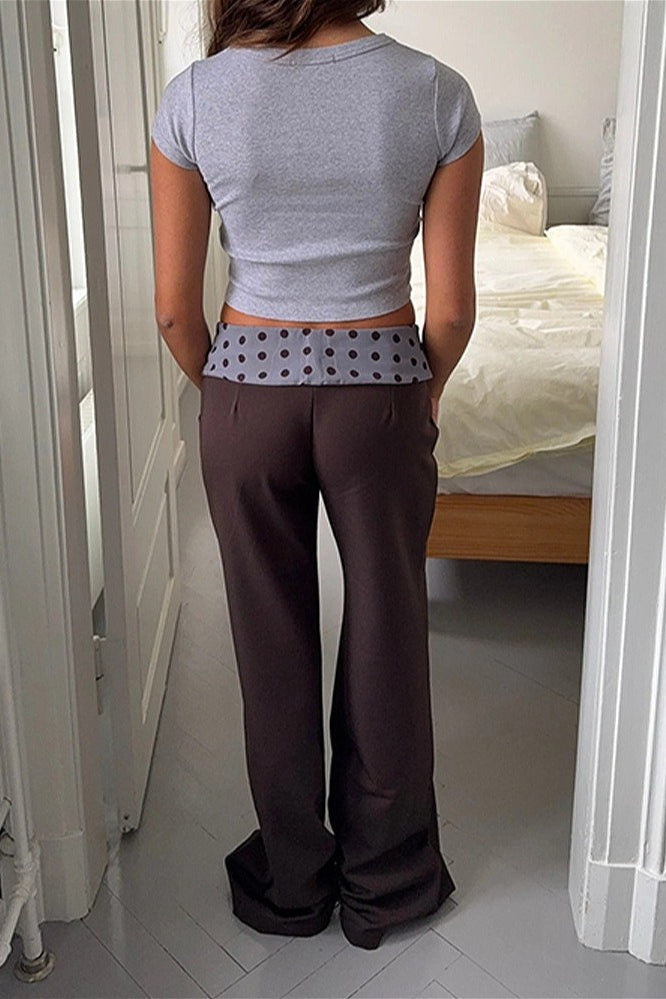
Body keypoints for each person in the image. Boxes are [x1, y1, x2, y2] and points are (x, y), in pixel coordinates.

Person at [150, 0, 484, 951]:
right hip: (380, 387)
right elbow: (451, 312)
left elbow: (173, 310)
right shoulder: (435, 92)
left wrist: (229, 392)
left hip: (246, 388)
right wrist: (421, 390)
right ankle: (385, 882)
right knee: (388, 625)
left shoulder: (194, 98)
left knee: (270, 636)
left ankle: (294, 881)